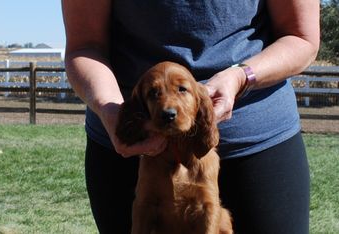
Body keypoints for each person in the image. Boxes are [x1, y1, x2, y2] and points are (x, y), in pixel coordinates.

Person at [62, 0, 320, 233]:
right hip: (131, 138)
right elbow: (84, 45)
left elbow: (301, 37)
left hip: (259, 140)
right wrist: (111, 110)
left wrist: (242, 76)